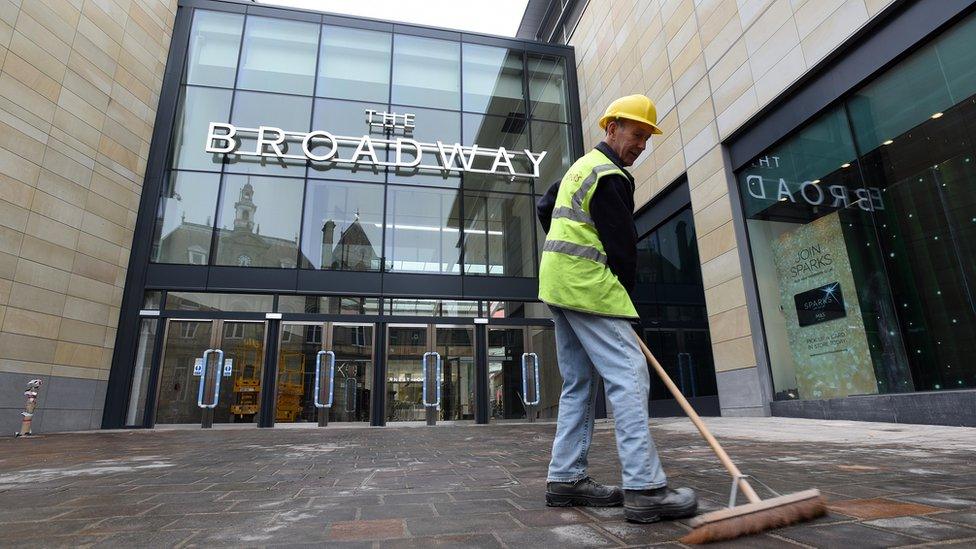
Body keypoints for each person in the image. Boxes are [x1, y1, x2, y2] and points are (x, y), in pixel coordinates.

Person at [536, 94, 698, 523]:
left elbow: (543, 206)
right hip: (588, 286)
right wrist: (625, 303)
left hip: (557, 283)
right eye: (636, 134)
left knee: (579, 384)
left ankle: (565, 479)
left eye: (646, 138)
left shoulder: (579, 168)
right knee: (628, 374)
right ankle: (646, 488)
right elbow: (624, 249)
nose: (641, 145)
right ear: (612, 129)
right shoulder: (611, 175)